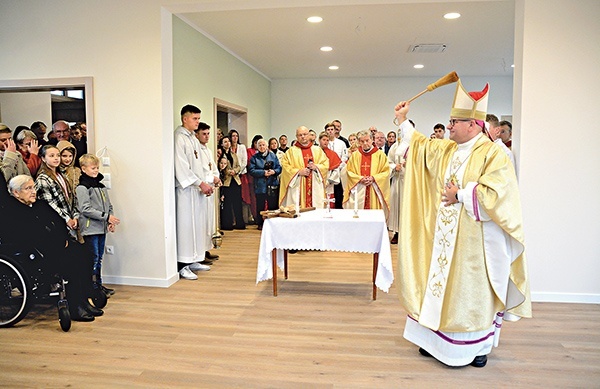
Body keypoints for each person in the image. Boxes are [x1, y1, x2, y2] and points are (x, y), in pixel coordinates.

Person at [393, 79, 531, 368]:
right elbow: (421, 148)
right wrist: (403, 120)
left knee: (470, 291)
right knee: (440, 286)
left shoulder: (494, 153)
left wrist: (461, 194)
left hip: (476, 240)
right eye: (450, 120)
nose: (450, 126)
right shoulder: (448, 150)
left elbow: (499, 194)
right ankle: (435, 341)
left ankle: (477, 347)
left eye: (455, 121)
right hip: (443, 237)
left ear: (473, 124)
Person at [3, 174, 101, 321]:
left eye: (33, 187)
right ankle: (75, 307)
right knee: (72, 262)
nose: (33, 191)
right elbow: (24, 237)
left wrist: (64, 240)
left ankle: (83, 300)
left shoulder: (40, 204)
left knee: (85, 254)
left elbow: (59, 222)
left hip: (54, 246)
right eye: (28, 188)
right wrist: (56, 243)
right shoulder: (10, 211)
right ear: (16, 192)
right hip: (32, 254)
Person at [174, 105, 217, 280]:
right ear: (185, 119)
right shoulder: (179, 138)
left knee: (197, 227)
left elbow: (200, 165)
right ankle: (182, 264)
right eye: (195, 119)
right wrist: (200, 183)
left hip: (197, 189)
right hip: (187, 191)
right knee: (186, 227)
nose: (198, 122)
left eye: (199, 119)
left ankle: (193, 259)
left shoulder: (192, 138)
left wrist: (206, 182)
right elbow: (181, 166)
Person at [76, 154, 120, 298]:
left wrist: (110, 220)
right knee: (92, 258)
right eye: (93, 168)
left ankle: (98, 286)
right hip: (90, 229)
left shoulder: (100, 186)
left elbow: (108, 205)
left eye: (97, 168)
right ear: (83, 169)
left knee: (99, 258)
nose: (96, 170)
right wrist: (106, 217)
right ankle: (92, 288)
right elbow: (85, 209)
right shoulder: (82, 187)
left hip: (101, 227)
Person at [35, 145, 79, 240]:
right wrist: (67, 218)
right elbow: (48, 203)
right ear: (43, 158)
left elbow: (72, 197)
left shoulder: (61, 174)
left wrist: (75, 216)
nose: (56, 158)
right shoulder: (43, 178)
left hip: (70, 218)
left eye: (58, 155)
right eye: (51, 156)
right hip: (56, 221)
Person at [279, 126, 328, 209]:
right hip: (297, 186)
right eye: (300, 135)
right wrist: (298, 172)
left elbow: (325, 165)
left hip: (314, 185)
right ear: (296, 137)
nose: (303, 136)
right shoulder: (291, 151)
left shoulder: (317, 150)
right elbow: (285, 167)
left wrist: (316, 167)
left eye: (305, 134)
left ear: (309, 135)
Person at [343, 130, 390, 217]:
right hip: (359, 189)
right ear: (358, 142)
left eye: (367, 140)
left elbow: (386, 172)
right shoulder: (355, 155)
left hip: (374, 189)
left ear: (372, 140)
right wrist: (359, 179)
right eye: (362, 141)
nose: (365, 143)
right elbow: (349, 172)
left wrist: (374, 178)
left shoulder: (380, 155)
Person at [249, 139, 282, 230]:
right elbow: (251, 171)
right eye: (260, 145)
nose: (262, 147)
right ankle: (260, 224)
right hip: (260, 185)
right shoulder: (254, 158)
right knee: (260, 205)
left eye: (264, 145)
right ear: (257, 147)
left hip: (272, 184)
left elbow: (279, 168)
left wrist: (273, 171)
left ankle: (273, 223)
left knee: (272, 205)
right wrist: (263, 173)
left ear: (267, 146)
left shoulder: (273, 156)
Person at [219, 135, 245, 230]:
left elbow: (238, 165)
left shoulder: (233, 154)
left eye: (228, 141)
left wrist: (235, 171)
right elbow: (220, 166)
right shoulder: (221, 154)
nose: (228, 143)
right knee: (227, 203)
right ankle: (227, 224)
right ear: (221, 144)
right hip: (227, 181)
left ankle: (240, 223)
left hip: (236, 180)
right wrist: (228, 171)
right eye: (225, 142)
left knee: (237, 202)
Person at [386, 133, 408, 244]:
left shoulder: (416, 146)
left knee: (409, 207)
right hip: (398, 180)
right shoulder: (395, 146)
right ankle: (397, 233)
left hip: (410, 182)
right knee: (397, 206)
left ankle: (409, 235)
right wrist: (395, 166)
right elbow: (388, 161)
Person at [325, 122, 347, 209]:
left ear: (335, 131)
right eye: (328, 130)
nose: (330, 131)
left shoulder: (341, 143)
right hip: (327, 172)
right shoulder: (325, 142)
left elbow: (345, 157)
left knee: (338, 194)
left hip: (339, 171)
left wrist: (337, 166)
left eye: (332, 129)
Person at [318, 132, 342, 206]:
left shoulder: (333, 154)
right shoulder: (315, 152)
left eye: (327, 140)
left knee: (329, 201)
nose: (326, 142)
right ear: (319, 140)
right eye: (324, 140)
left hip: (329, 181)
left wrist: (329, 181)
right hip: (317, 180)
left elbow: (336, 170)